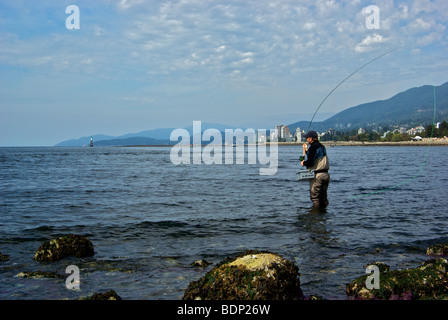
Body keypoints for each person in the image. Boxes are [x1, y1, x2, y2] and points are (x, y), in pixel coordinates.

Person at [300, 130, 330, 208]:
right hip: (326, 175)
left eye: (307, 138)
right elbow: (315, 156)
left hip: (318, 176)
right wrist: (306, 150)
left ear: (311, 138)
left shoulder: (313, 147)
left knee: (315, 197)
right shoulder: (322, 146)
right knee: (323, 197)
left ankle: (315, 215)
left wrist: (304, 163)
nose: (306, 139)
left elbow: (310, 162)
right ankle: (324, 214)